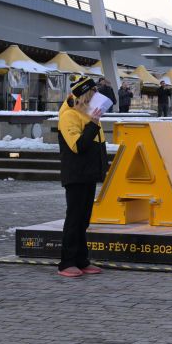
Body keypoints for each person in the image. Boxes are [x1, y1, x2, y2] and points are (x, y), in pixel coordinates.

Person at [56, 75, 108, 278]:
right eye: (93, 93)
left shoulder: (87, 113)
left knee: (84, 219)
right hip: (76, 174)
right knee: (74, 218)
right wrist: (94, 123)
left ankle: (81, 259)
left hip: (88, 174)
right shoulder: (69, 115)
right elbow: (78, 146)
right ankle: (66, 261)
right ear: (85, 95)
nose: (97, 96)